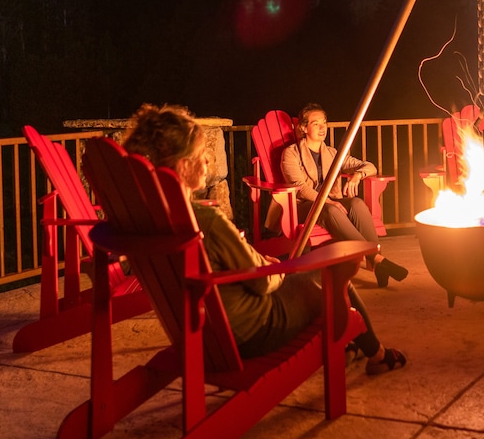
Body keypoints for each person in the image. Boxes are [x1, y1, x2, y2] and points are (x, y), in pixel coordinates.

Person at [121, 103, 408, 375]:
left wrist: (264, 262)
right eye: (201, 154)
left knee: (308, 266)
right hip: (252, 329)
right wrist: (276, 272)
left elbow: (232, 268)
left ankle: (352, 345)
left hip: (199, 331)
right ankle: (377, 354)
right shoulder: (205, 220)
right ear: (182, 166)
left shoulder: (151, 220)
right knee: (332, 271)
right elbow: (260, 282)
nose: (208, 160)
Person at [281, 103, 409, 287]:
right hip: (303, 207)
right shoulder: (291, 154)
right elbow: (299, 187)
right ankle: (378, 260)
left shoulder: (332, 153)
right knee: (330, 211)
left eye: (324, 123)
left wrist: (357, 175)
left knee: (356, 203)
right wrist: (330, 202)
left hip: (330, 203)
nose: (322, 127)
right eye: (316, 123)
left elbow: (370, 166)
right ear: (303, 127)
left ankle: (378, 262)